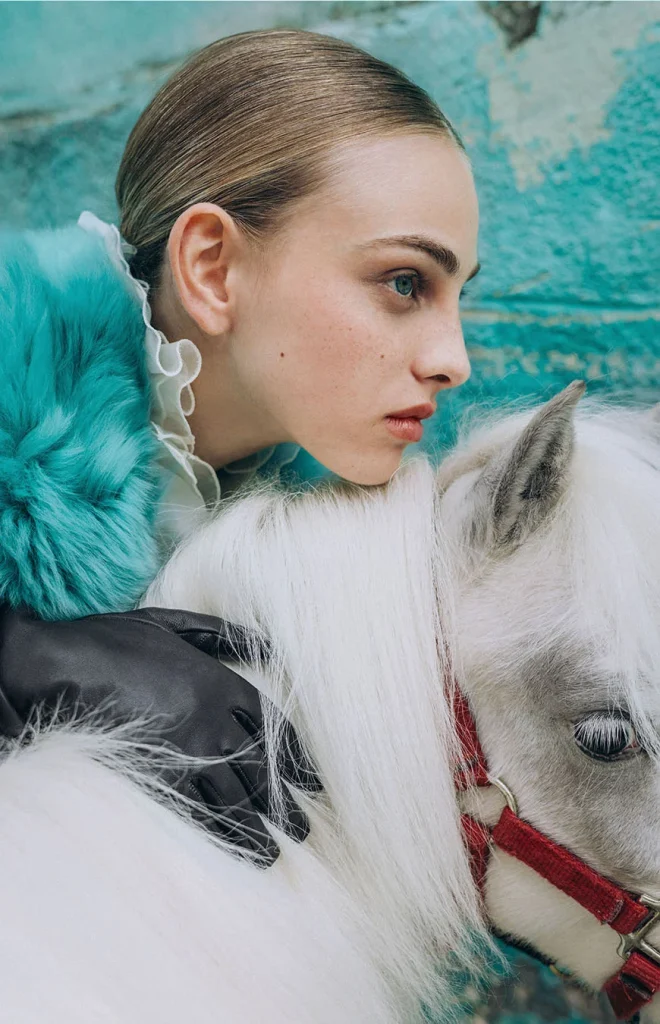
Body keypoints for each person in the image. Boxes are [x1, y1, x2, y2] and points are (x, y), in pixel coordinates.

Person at [0, 28, 478, 863]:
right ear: (213, 268)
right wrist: (26, 654)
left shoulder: (311, 532)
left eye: (456, 293)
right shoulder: (16, 356)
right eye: (405, 282)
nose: (455, 360)